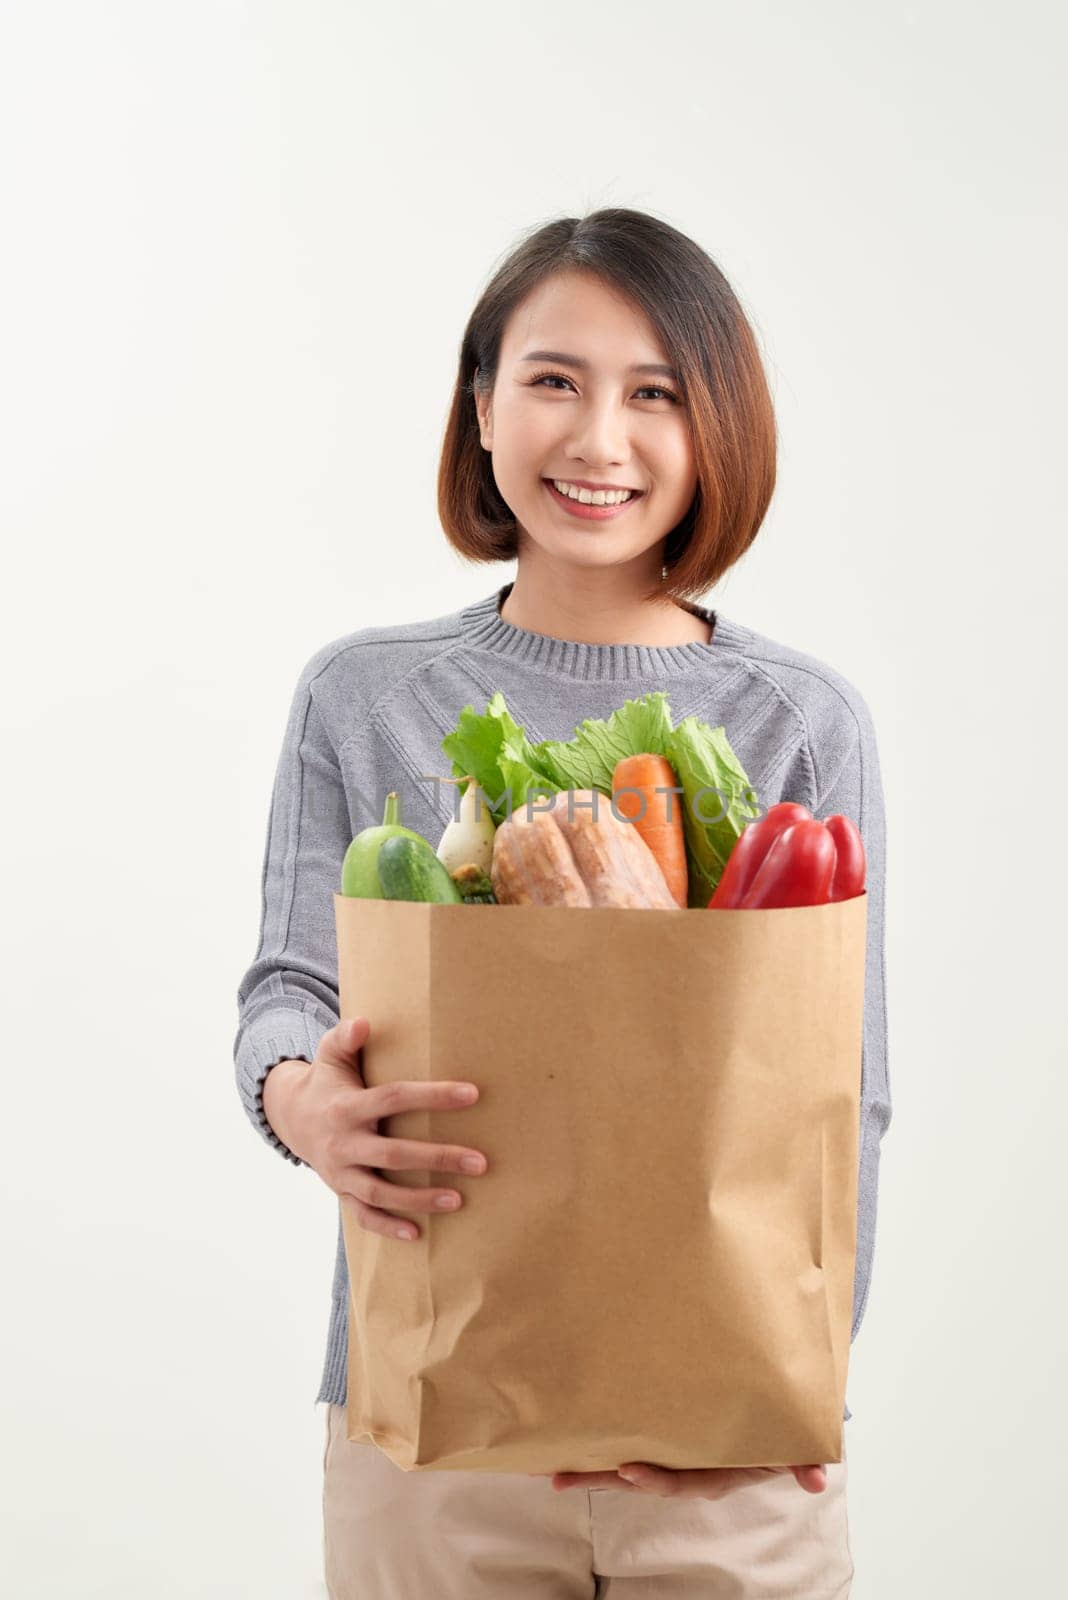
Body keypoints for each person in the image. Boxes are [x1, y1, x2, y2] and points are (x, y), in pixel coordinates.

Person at [234, 207, 889, 1598]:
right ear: (480, 410)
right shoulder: (362, 695)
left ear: (717, 428)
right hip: (435, 1431)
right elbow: (289, 987)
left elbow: (841, 1094)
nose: (601, 440)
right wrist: (303, 1105)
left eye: (656, 393)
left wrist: (794, 1394)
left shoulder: (799, 721)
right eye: (553, 381)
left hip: (718, 1454)